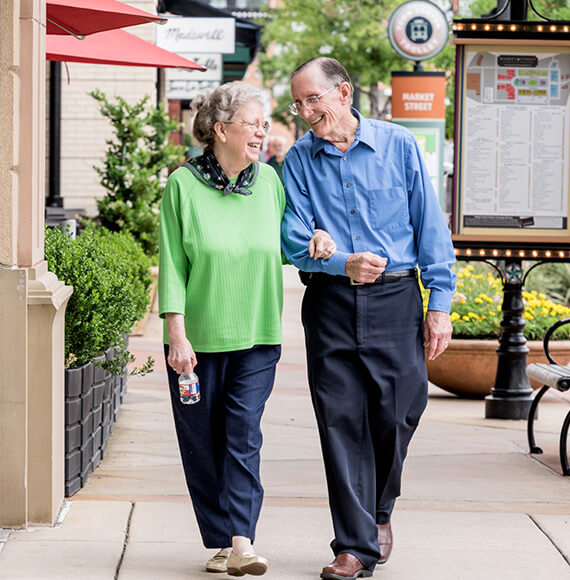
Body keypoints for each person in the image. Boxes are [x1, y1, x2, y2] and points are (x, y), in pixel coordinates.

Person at [280, 58, 456, 580]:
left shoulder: (398, 145)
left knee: (400, 410)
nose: (307, 111)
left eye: (314, 99)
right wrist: (336, 259)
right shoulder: (298, 160)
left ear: (344, 92)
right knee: (340, 422)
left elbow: (430, 226)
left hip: (397, 299)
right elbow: (293, 237)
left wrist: (439, 305)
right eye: (299, 103)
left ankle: (378, 513)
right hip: (331, 303)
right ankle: (354, 545)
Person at [158, 81, 336, 577]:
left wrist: (316, 237)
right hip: (197, 339)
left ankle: (241, 540)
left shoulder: (270, 183)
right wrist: (176, 332)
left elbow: (290, 241)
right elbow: (172, 263)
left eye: (264, 124)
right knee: (201, 440)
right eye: (253, 124)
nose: (263, 132)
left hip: (258, 337)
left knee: (243, 434)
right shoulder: (183, 185)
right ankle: (220, 539)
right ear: (221, 129)